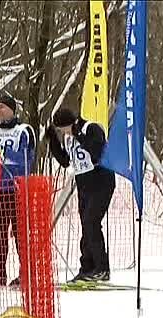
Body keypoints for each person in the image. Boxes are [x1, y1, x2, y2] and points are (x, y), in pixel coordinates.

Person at [46, 108, 115, 282]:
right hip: (84, 185)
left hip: (101, 181)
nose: (63, 133)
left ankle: (102, 268)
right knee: (86, 225)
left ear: (72, 123)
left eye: (63, 129)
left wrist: (78, 134)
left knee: (92, 222)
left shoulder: (91, 128)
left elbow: (96, 151)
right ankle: (87, 267)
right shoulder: (70, 138)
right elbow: (65, 161)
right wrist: (53, 141)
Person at [0, 94, 37, 286]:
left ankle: (26, 273)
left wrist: (6, 154)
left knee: (20, 233)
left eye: (2, 107)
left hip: (17, 188)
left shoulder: (23, 131)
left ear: (12, 110)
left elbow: (27, 159)